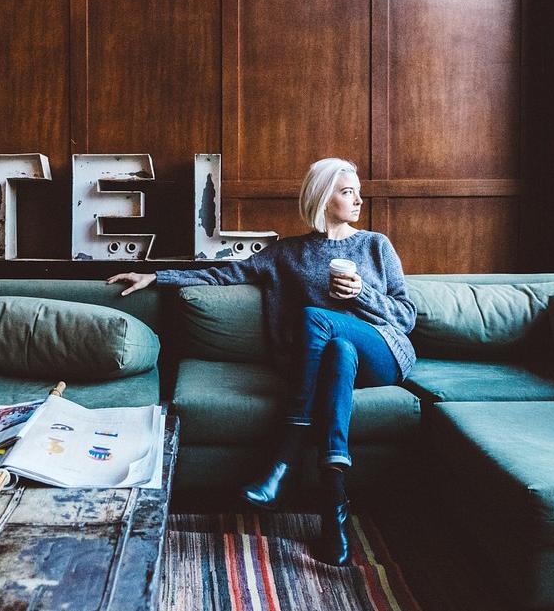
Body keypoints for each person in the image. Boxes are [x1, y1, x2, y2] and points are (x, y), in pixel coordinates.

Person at [107, 157, 416, 566]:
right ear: (323, 198)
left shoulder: (375, 245)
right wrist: (156, 276)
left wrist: (362, 294)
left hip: (384, 352)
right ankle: (333, 508)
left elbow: (406, 316)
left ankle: (286, 454)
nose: (359, 200)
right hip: (335, 366)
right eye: (347, 192)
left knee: (318, 320)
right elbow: (222, 275)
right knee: (339, 350)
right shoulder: (287, 253)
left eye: (358, 192)